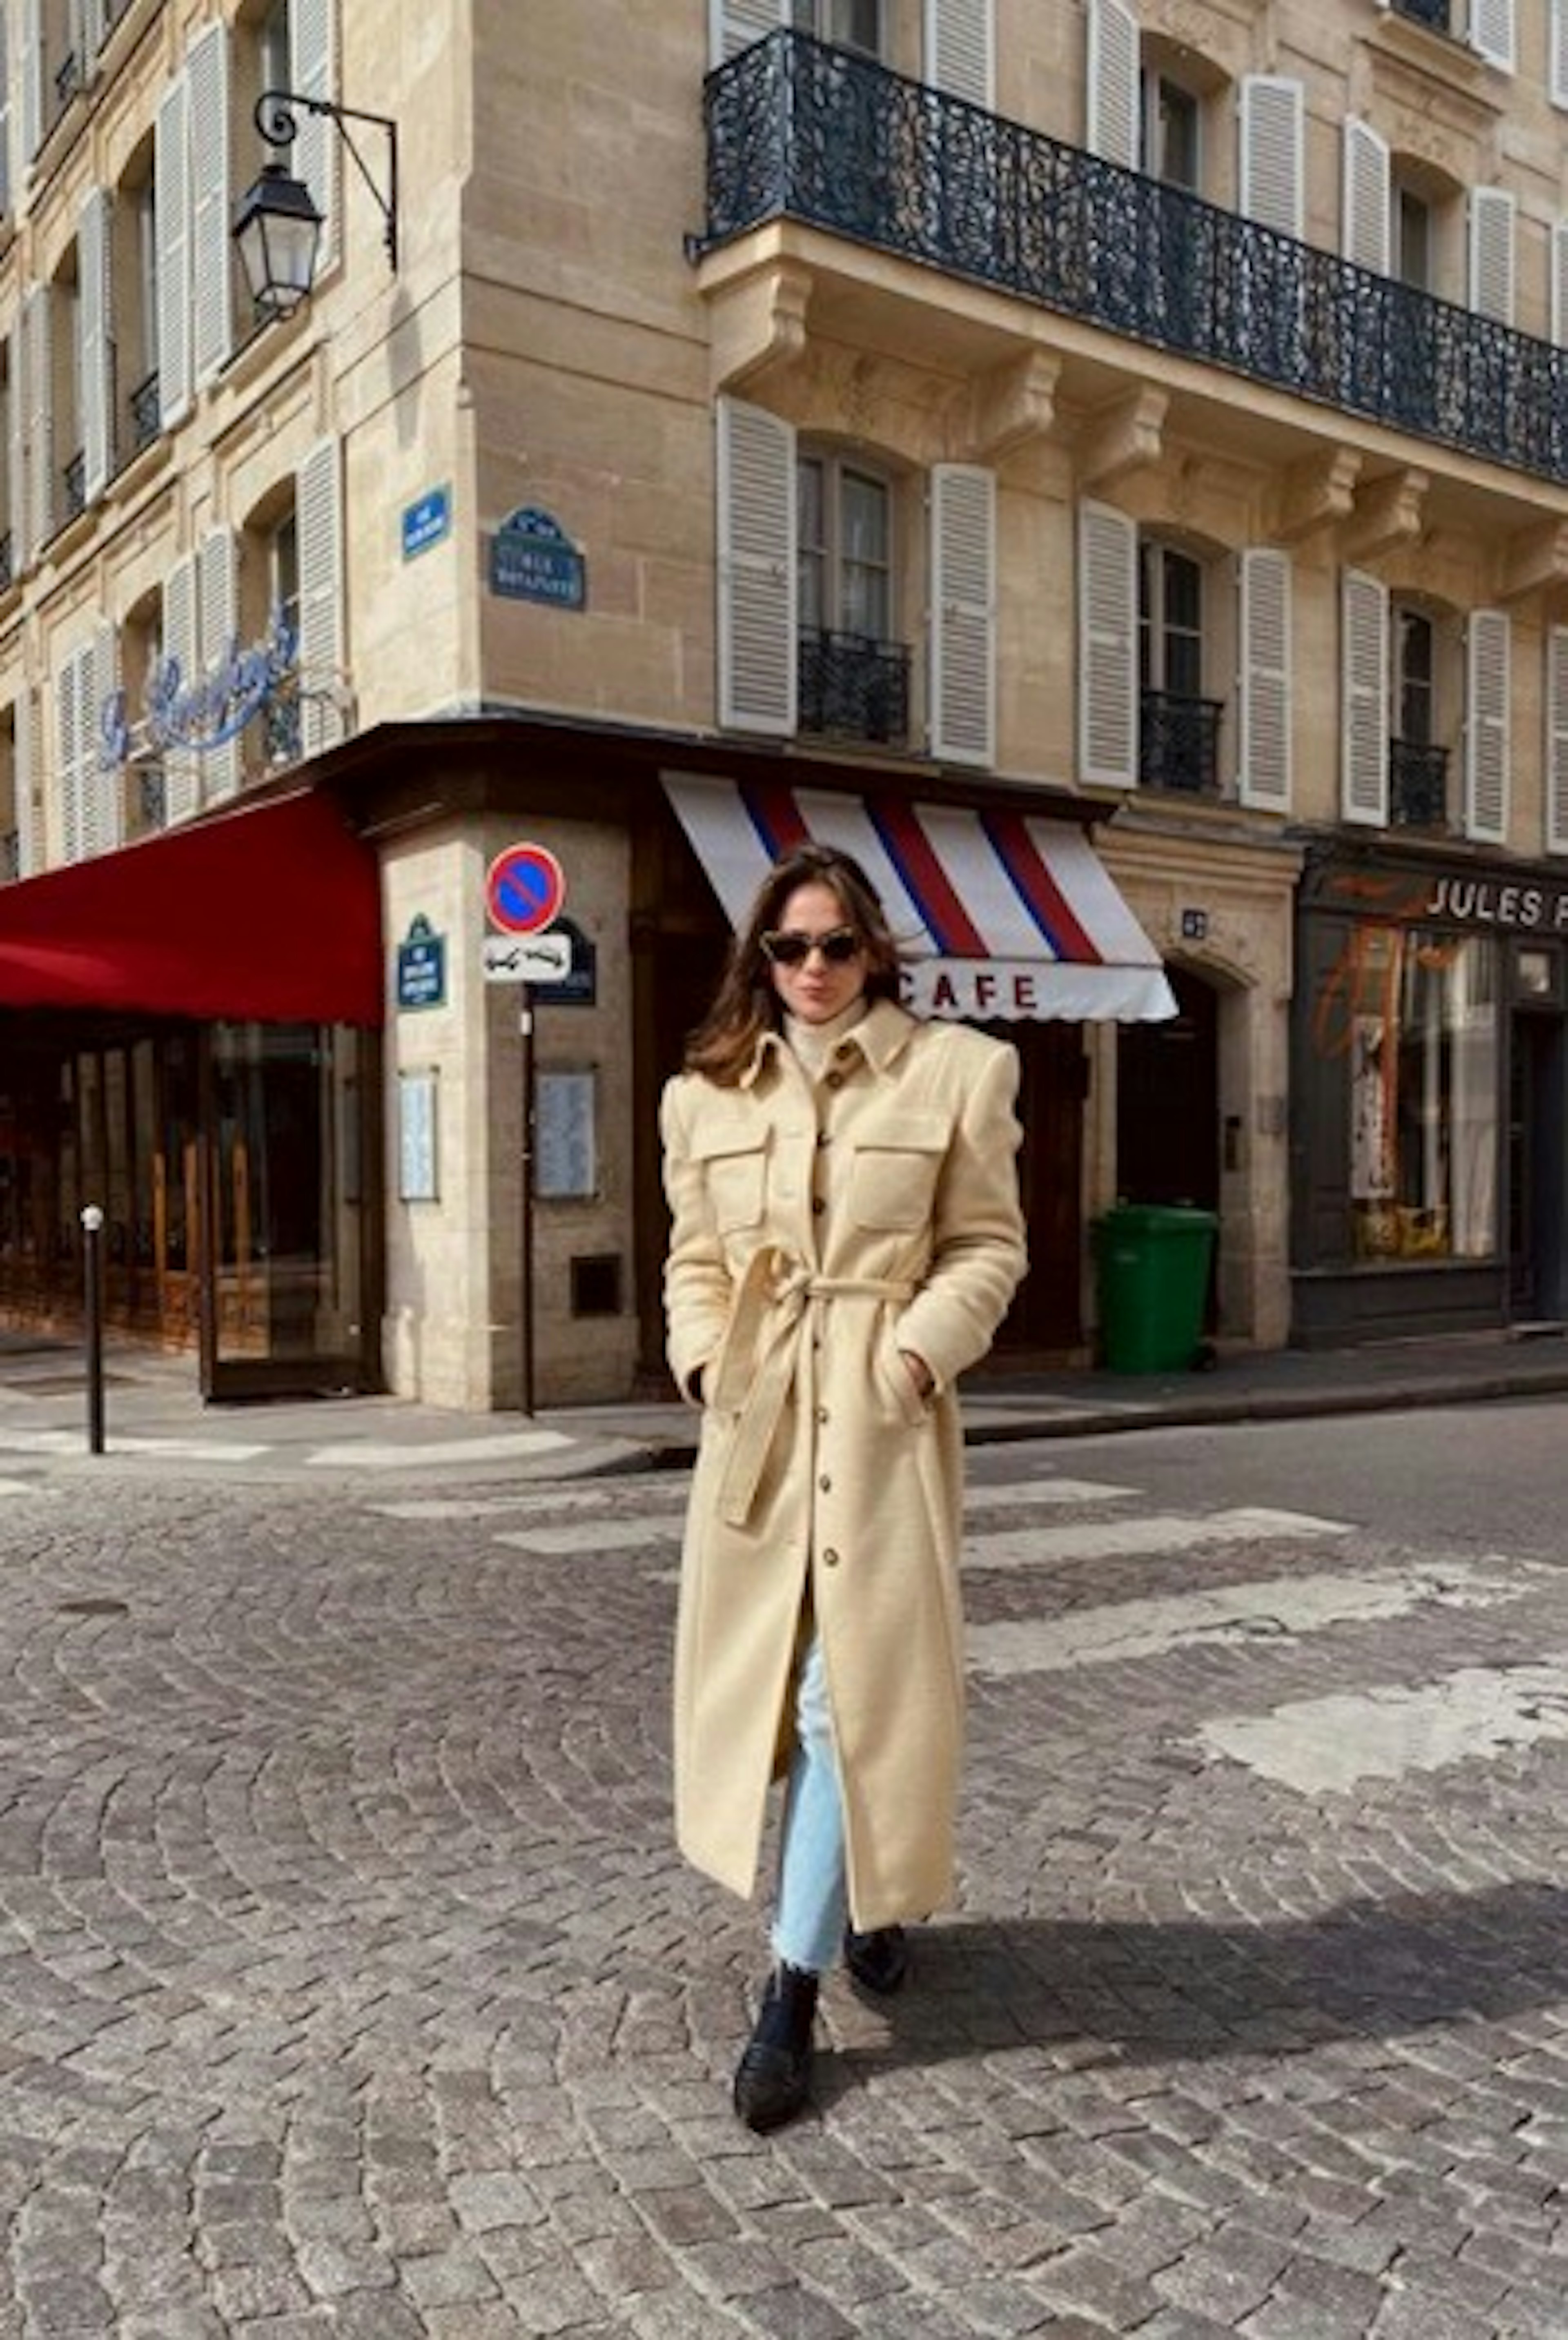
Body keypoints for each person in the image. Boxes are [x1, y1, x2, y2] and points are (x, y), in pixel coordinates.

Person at [660, 840, 1027, 2133]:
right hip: (758, 1429)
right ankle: (869, 1899)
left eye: (834, 943)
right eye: (788, 946)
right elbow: (695, 1262)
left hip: (879, 1429)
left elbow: (989, 1243)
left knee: (846, 1692)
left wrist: (918, 1352)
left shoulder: (962, 1072)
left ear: (873, 947)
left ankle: (793, 1985)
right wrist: (707, 1362)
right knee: (769, 1691)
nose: (810, 967)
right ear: (760, 958)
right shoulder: (700, 1098)